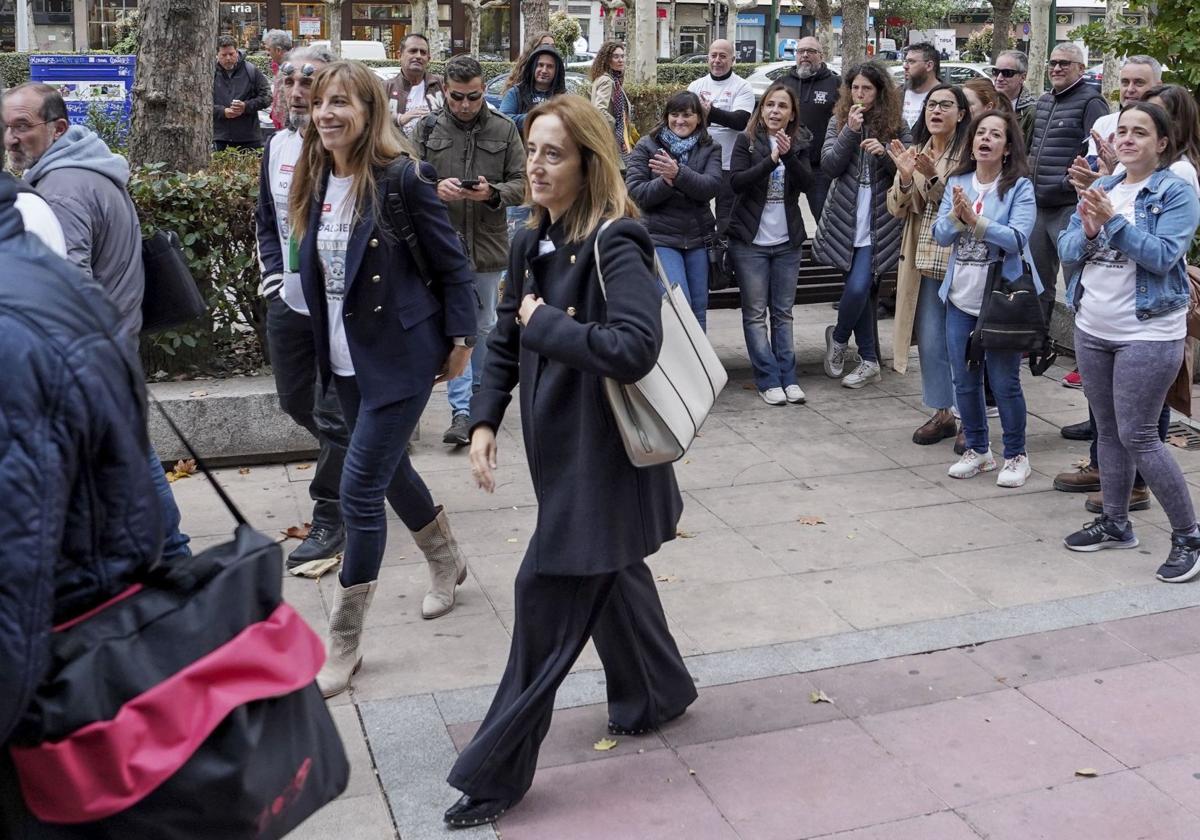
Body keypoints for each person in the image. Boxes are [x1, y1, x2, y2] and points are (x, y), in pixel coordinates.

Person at [444, 94, 696, 829]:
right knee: (614, 581)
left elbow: (632, 348)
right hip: (562, 459)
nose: (536, 164)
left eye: (553, 152)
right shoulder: (529, 241)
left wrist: (546, 323)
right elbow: (502, 342)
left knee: (544, 598)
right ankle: (658, 691)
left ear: (589, 162)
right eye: (531, 151)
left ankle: (493, 773)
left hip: (607, 467)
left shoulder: (617, 242)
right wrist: (486, 418)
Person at [288, 61, 478, 696]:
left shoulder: (403, 179)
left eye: (341, 102)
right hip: (342, 360)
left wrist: (460, 342)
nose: (327, 114)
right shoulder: (316, 181)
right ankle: (448, 560)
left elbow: (453, 266)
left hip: (399, 357)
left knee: (361, 493)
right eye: (319, 103)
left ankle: (343, 644)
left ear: (371, 111)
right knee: (391, 470)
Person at [0, 174, 164, 833]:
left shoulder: (12, 332)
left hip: (54, 701)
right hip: (78, 662)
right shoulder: (37, 269)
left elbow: (13, 580)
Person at [3, 83, 192, 563]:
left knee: (133, 462)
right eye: (4, 127)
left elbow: (69, 288)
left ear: (57, 128)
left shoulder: (61, 190)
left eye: (22, 126)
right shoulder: (89, 170)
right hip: (111, 346)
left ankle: (174, 558)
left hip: (91, 359)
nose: (10, 138)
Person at [1059, 102, 1200, 582]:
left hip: (1149, 330)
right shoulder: (1104, 187)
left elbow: (1163, 257)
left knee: (1139, 434)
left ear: (1161, 143)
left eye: (1140, 132)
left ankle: (1189, 538)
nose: (1127, 139)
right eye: (1122, 131)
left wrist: (1113, 225)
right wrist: (1092, 227)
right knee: (1107, 428)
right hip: (1094, 326)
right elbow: (1068, 248)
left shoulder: (1175, 191)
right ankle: (1116, 524)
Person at [255, 46, 349, 569]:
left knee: (334, 413)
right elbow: (267, 218)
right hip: (289, 300)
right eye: (288, 79)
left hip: (339, 305)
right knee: (295, 401)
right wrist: (274, 275)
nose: (296, 89)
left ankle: (331, 516)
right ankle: (363, 456)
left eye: (308, 79)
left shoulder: (349, 150)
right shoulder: (276, 146)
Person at [415, 55, 526, 447]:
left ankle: (477, 400)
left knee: (480, 326)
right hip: (438, 245)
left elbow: (523, 183)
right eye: (458, 97)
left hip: (486, 243)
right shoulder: (426, 128)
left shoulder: (504, 127)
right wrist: (433, 188)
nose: (465, 105)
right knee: (451, 328)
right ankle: (462, 410)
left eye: (474, 97)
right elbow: (402, 179)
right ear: (444, 90)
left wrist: (492, 193)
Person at [933, 111, 1040, 488]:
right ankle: (978, 450)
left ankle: (1016, 455)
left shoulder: (1019, 187)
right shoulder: (958, 181)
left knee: (1004, 381)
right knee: (963, 380)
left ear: (1008, 147)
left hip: (1002, 301)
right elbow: (941, 235)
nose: (986, 139)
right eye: (981, 133)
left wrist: (975, 222)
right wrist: (956, 217)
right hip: (960, 297)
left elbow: (1017, 239)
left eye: (996, 134)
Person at [815, 61, 911, 390]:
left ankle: (839, 337)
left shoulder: (896, 124)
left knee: (858, 287)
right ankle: (869, 360)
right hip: (846, 219)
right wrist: (849, 132)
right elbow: (828, 166)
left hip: (880, 219)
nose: (859, 94)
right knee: (865, 294)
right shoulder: (839, 121)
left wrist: (884, 153)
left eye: (866, 89)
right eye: (854, 88)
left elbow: (907, 168)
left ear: (880, 91)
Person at [886, 83, 970, 445]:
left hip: (961, 262)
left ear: (962, 114)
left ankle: (971, 419)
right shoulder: (915, 151)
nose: (936, 111)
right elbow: (896, 207)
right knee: (933, 343)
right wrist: (906, 177)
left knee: (962, 344)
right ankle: (942, 413)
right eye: (931, 105)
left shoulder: (969, 154)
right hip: (922, 260)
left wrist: (933, 177)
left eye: (946, 105)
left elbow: (961, 209)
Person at [727, 82, 813, 405]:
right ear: (761, 110)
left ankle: (789, 378)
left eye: (782, 106)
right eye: (769, 105)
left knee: (783, 313)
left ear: (792, 114)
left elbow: (807, 183)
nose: (775, 111)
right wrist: (770, 160)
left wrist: (788, 155)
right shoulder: (746, 141)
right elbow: (736, 183)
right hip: (750, 242)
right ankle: (768, 379)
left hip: (787, 242)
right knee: (754, 313)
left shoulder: (800, 142)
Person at [626, 90, 723, 331]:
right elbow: (638, 194)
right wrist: (667, 181)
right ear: (666, 116)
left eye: (687, 115)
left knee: (699, 308)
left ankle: (700, 367)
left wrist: (677, 173)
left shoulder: (710, 146)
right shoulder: (647, 145)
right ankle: (681, 365)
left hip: (698, 238)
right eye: (675, 114)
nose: (680, 120)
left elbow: (710, 187)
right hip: (661, 238)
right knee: (679, 306)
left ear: (699, 118)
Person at [1026, 43, 1109, 322]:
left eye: (1065, 63)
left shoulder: (1091, 101)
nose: (1057, 68)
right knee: (1038, 279)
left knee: (1075, 277)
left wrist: (1066, 183)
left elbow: (1096, 153)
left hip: (1068, 207)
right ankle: (1037, 342)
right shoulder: (1044, 101)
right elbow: (1032, 148)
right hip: (1038, 205)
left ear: (1081, 69)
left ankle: (1084, 348)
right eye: (1053, 62)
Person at [687, 39, 755, 224]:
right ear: (708, 58)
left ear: (733, 60)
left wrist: (710, 112)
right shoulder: (695, 86)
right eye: (713, 55)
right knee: (697, 216)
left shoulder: (742, 87)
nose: (717, 60)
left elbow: (739, 121)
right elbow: (688, 124)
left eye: (723, 56)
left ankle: (723, 250)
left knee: (727, 218)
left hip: (729, 164)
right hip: (701, 162)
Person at [776, 35, 840, 222]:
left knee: (825, 221)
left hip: (819, 168)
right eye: (800, 51)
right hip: (786, 163)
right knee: (781, 218)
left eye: (811, 51)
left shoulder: (835, 84)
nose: (804, 55)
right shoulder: (782, 83)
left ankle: (826, 252)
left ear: (821, 55)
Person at [1085, 56, 1162, 164]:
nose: (1130, 89)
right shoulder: (1103, 123)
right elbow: (1093, 167)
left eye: (1139, 83)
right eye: (1125, 82)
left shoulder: (1167, 126)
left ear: (1157, 87)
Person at [212, 35, 271, 152]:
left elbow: (267, 97)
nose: (228, 58)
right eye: (224, 55)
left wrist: (246, 106)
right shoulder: (209, 73)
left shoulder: (251, 70)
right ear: (217, 54)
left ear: (237, 51)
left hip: (249, 137)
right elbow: (201, 104)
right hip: (220, 137)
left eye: (231, 54)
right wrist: (222, 112)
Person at [385, 33, 444, 136]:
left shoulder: (442, 85)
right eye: (413, 51)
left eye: (423, 52)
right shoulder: (385, 88)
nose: (418, 56)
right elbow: (372, 121)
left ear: (428, 59)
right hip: (398, 149)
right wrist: (399, 119)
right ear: (399, 55)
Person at [500, 43, 567, 132]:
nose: (544, 70)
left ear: (557, 71)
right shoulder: (516, 93)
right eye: (540, 65)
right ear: (533, 67)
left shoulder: (563, 97)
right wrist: (536, 117)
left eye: (550, 66)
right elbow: (503, 121)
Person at [590, 41, 634, 164]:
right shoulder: (607, 81)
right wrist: (617, 128)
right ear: (607, 59)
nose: (620, 60)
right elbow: (599, 110)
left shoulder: (613, 80)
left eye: (622, 56)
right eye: (616, 56)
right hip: (609, 139)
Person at [992, 49, 1036, 146]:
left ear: (1023, 77)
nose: (999, 78)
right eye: (996, 72)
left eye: (1007, 73)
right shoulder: (988, 104)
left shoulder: (1031, 112)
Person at [900, 43, 940, 129]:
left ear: (929, 65)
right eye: (905, 61)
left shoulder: (948, 97)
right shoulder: (896, 94)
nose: (905, 66)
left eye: (911, 62)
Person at [263, 28, 294, 131]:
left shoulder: (291, 69)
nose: (266, 53)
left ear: (278, 50)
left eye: (268, 49)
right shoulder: (281, 66)